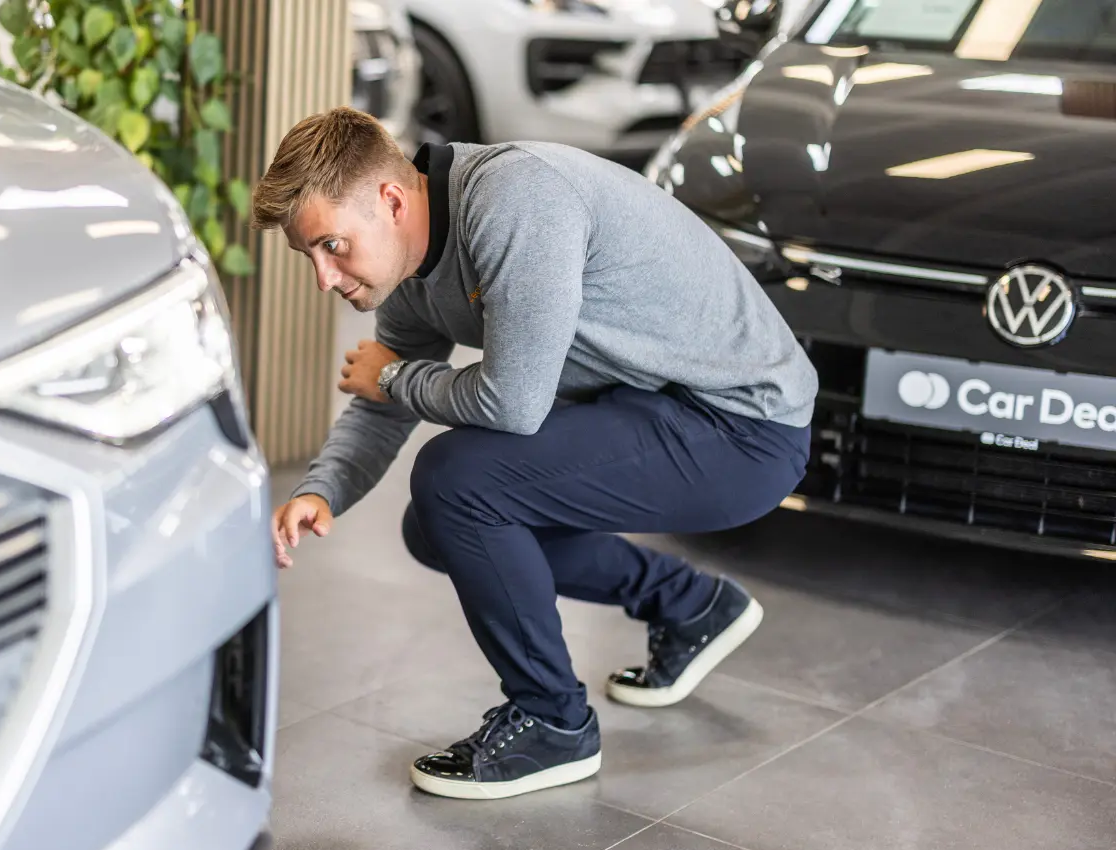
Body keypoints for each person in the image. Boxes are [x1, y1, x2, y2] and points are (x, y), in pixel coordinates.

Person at [252, 107, 817, 801]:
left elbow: (507, 404)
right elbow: (383, 397)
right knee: (437, 525)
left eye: (331, 245)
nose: (323, 277)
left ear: (392, 201)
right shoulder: (413, 275)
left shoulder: (515, 199)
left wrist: (396, 376)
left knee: (455, 483)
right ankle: (689, 605)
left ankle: (554, 722)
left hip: (742, 428)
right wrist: (324, 489)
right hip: (654, 404)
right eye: (307, 255)